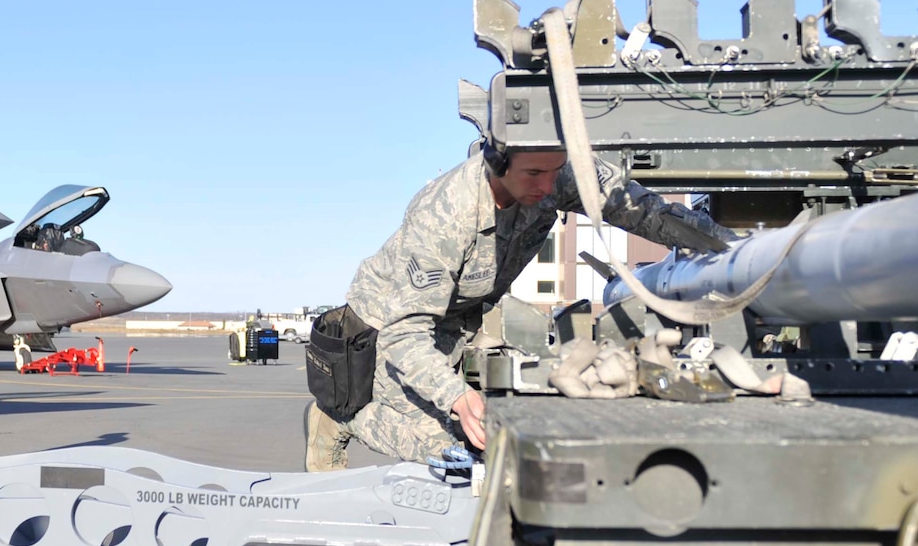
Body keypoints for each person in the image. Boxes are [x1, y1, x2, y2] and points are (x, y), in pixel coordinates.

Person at [304, 145, 730, 471]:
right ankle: (341, 414)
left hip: (456, 317)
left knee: (479, 435)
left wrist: (727, 244)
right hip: (384, 326)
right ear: (498, 163)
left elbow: (642, 210)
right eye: (533, 174)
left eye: (555, 171)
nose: (548, 186)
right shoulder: (445, 213)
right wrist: (456, 396)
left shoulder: (555, 172)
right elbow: (405, 332)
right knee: (451, 445)